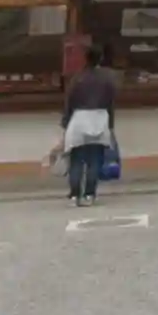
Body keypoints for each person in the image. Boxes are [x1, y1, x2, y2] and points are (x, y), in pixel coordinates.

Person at [62, 45, 118, 207]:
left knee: (76, 159)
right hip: (99, 118)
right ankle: (89, 194)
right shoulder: (107, 79)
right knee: (95, 160)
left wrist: (65, 124)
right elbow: (110, 103)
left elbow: (69, 103)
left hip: (79, 119)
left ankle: (75, 195)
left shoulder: (77, 78)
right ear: (100, 59)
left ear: (85, 58)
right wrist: (111, 126)